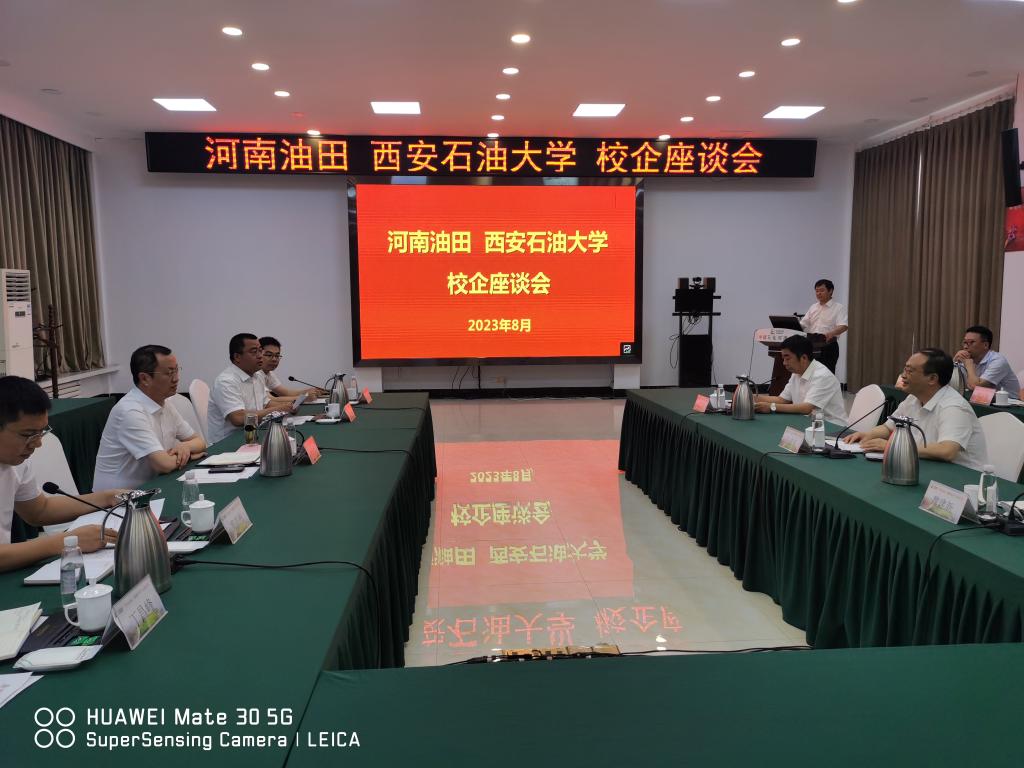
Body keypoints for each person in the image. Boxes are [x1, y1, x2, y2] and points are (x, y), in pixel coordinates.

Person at [1, 376, 121, 573]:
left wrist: (108, 497)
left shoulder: (17, 461)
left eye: (41, 432)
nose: (37, 444)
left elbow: (39, 510)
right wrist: (66, 542)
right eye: (28, 434)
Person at [847, 348, 988, 470]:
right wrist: (867, 435)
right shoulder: (913, 398)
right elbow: (888, 428)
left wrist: (892, 445)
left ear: (932, 379)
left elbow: (947, 451)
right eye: (905, 369)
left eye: (910, 371)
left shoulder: (954, 407)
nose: (903, 376)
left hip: (961, 478)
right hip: (927, 466)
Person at [92, 345, 207, 491]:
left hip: (151, 488)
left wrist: (186, 447)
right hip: (119, 500)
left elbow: (199, 442)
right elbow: (164, 465)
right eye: (169, 373)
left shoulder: (165, 404)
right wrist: (189, 455)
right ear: (145, 378)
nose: (176, 378)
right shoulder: (129, 411)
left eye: (177, 370)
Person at [207, 333, 294, 444]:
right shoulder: (226, 381)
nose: (260, 355)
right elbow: (238, 418)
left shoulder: (257, 376)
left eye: (260, 350)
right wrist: (279, 409)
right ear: (237, 357)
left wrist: (288, 406)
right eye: (254, 352)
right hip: (228, 444)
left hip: (253, 436)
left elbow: (265, 403)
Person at [754, 334, 847, 425]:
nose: (784, 363)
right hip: (809, 423)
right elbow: (782, 399)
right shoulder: (796, 373)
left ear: (804, 358)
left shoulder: (822, 376)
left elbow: (807, 408)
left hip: (832, 426)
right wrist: (752, 397)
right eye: (783, 359)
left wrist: (771, 406)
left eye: (787, 358)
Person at [952, 325, 1021, 395]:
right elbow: (950, 382)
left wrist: (969, 366)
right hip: (980, 399)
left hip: (1008, 401)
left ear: (985, 345)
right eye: (965, 342)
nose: (965, 347)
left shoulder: (998, 361)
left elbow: (974, 386)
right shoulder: (967, 359)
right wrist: (954, 362)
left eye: (971, 342)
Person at [799, 279, 848, 373]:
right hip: (811, 345)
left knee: (826, 375)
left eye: (821, 290)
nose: (818, 293)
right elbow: (803, 323)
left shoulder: (838, 307)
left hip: (828, 346)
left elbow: (843, 325)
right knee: (809, 374)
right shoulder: (813, 307)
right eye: (817, 291)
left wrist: (831, 333)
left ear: (830, 291)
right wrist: (792, 326)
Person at [255, 336, 326, 399]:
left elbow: (286, 393)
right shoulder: (256, 373)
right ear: (259, 354)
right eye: (269, 355)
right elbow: (270, 400)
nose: (274, 359)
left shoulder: (268, 373)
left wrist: (309, 391)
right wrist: (304, 398)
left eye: (277, 356)